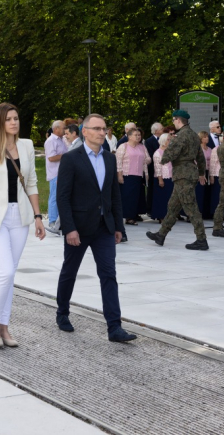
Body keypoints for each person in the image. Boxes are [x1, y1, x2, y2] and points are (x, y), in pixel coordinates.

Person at [54, 113, 136, 343]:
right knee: (70, 272)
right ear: (85, 131)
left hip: (104, 228)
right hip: (78, 229)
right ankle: (62, 313)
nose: (102, 132)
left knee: (109, 274)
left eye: (104, 128)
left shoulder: (110, 159)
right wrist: (69, 228)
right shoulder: (71, 159)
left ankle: (114, 327)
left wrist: (118, 226)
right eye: (97, 128)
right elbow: (63, 197)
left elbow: (114, 195)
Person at [0, 103, 45, 348]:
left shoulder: (25, 146)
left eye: (16, 118)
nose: (14, 123)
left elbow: (32, 183)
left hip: (21, 218)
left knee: (11, 273)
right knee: (5, 272)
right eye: (9, 119)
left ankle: (5, 326)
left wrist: (37, 216)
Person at [146, 110, 209, 250]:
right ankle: (161, 235)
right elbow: (200, 157)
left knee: (191, 208)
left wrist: (167, 147)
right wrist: (200, 173)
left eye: (174, 120)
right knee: (173, 206)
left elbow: (167, 156)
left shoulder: (180, 136)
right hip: (189, 173)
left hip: (182, 175)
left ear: (178, 120)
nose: (173, 122)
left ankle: (201, 239)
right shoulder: (193, 135)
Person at [116, 128, 151, 226]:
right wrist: (119, 175)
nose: (138, 137)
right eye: (135, 135)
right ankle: (128, 217)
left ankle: (135, 214)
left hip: (139, 175)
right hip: (127, 175)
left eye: (139, 135)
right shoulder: (124, 146)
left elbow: (148, 158)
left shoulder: (142, 147)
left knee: (137, 197)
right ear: (129, 136)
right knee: (128, 197)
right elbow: (118, 162)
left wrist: (145, 161)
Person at [44, 120, 68, 232]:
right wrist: (66, 156)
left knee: (61, 197)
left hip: (62, 173)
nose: (65, 130)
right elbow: (51, 158)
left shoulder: (62, 140)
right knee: (54, 197)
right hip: (55, 173)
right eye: (63, 128)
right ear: (56, 129)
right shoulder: (51, 141)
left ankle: (59, 221)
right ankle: (52, 221)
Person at [151, 133, 174, 222]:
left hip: (171, 176)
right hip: (162, 177)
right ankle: (161, 216)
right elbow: (157, 167)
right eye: (168, 140)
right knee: (161, 198)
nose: (170, 141)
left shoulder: (170, 151)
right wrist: (160, 179)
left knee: (169, 197)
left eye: (170, 139)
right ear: (163, 141)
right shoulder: (158, 152)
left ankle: (169, 215)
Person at [144, 122, 163, 215]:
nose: (163, 130)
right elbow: (149, 155)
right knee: (152, 189)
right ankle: (150, 209)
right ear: (156, 131)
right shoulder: (149, 141)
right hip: (153, 169)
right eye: (161, 129)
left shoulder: (163, 139)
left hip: (164, 169)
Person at [197, 131, 212, 217]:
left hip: (208, 171)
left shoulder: (209, 149)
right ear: (201, 139)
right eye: (205, 137)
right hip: (199, 172)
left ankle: (206, 212)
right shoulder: (198, 149)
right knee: (199, 192)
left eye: (207, 137)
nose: (207, 138)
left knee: (207, 192)